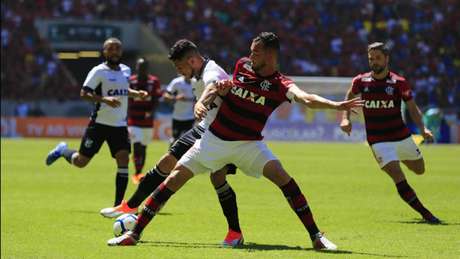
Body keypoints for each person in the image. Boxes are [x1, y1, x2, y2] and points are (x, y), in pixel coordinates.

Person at [108, 32, 364, 250]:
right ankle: (134, 234)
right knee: (173, 178)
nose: (250, 55)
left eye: (256, 52)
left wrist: (335, 104)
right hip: (215, 140)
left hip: (249, 145)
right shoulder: (242, 66)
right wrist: (202, 100)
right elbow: (219, 86)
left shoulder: (280, 83)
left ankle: (316, 237)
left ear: (270, 55)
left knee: (283, 178)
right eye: (251, 51)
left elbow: (305, 98)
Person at [100, 39, 243, 247]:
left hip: (223, 134)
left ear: (192, 60)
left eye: (179, 67)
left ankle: (235, 232)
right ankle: (130, 206)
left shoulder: (211, 71)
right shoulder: (197, 75)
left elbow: (213, 86)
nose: (178, 71)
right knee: (168, 161)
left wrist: (201, 103)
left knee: (217, 178)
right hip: (205, 128)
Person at [340, 42, 441, 224]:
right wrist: (345, 119)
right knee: (398, 176)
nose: (374, 62)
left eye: (378, 58)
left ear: (387, 59)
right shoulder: (360, 81)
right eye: (371, 59)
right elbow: (348, 98)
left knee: (419, 170)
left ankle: (399, 157)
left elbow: (412, 107)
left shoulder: (399, 83)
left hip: (401, 136)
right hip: (378, 141)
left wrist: (423, 129)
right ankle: (427, 214)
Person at [45, 37, 148, 207]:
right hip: (99, 124)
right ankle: (62, 151)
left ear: (121, 52)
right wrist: (104, 100)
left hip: (119, 125)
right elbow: (84, 93)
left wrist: (136, 94)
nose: (114, 51)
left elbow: (123, 90)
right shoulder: (98, 71)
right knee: (81, 162)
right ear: (104, 52)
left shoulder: (126, 70)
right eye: (111, 49)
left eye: (117, 48)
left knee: (123, 159)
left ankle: (118, 206)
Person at [128, 58, 162, 184]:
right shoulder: (131, 80)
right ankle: (137, 173)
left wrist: (152, 112)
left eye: (143, 67)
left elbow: (157, 99)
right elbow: (126, 96)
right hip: (134, 120)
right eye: (138, 67)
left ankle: (139, 171)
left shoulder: (154, 81)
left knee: (143, 147)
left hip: (147, 121)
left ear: (147, 68)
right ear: (136, 67)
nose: (140, 69)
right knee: (136, 146)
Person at [163, 75, 196, 145]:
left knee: (188, 141)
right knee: (174, 140)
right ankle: (170, 154)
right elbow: (165, 96)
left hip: (190, 117)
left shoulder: (196, 82)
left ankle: (184, 156)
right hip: (177, 117)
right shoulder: (176, 82)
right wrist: (176, 98)